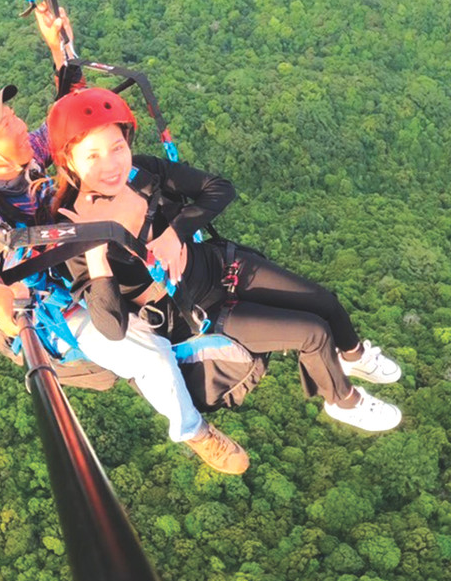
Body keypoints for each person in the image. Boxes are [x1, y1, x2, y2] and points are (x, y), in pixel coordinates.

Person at [0, 12, 250, 474]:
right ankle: (194, 432)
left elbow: (65, 123)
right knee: (150, 356)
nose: (17, 125)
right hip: (55, 298)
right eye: (4, 124)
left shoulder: (25, 155)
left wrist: (59, 49)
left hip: (83, 247)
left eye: (11, 113)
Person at [48, 86, 403, 433]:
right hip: (199, 311)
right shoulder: (71, 230)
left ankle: (353, 357)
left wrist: (175, 233)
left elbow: (220, 188)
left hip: (219, 266)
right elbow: (111, 328)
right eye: (92, 156)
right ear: (69, 162)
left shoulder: (142, 173)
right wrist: (95, 248)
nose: (111, 164)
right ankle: (342, 400)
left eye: (117, 147)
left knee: (325, 301)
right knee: (313, 333)